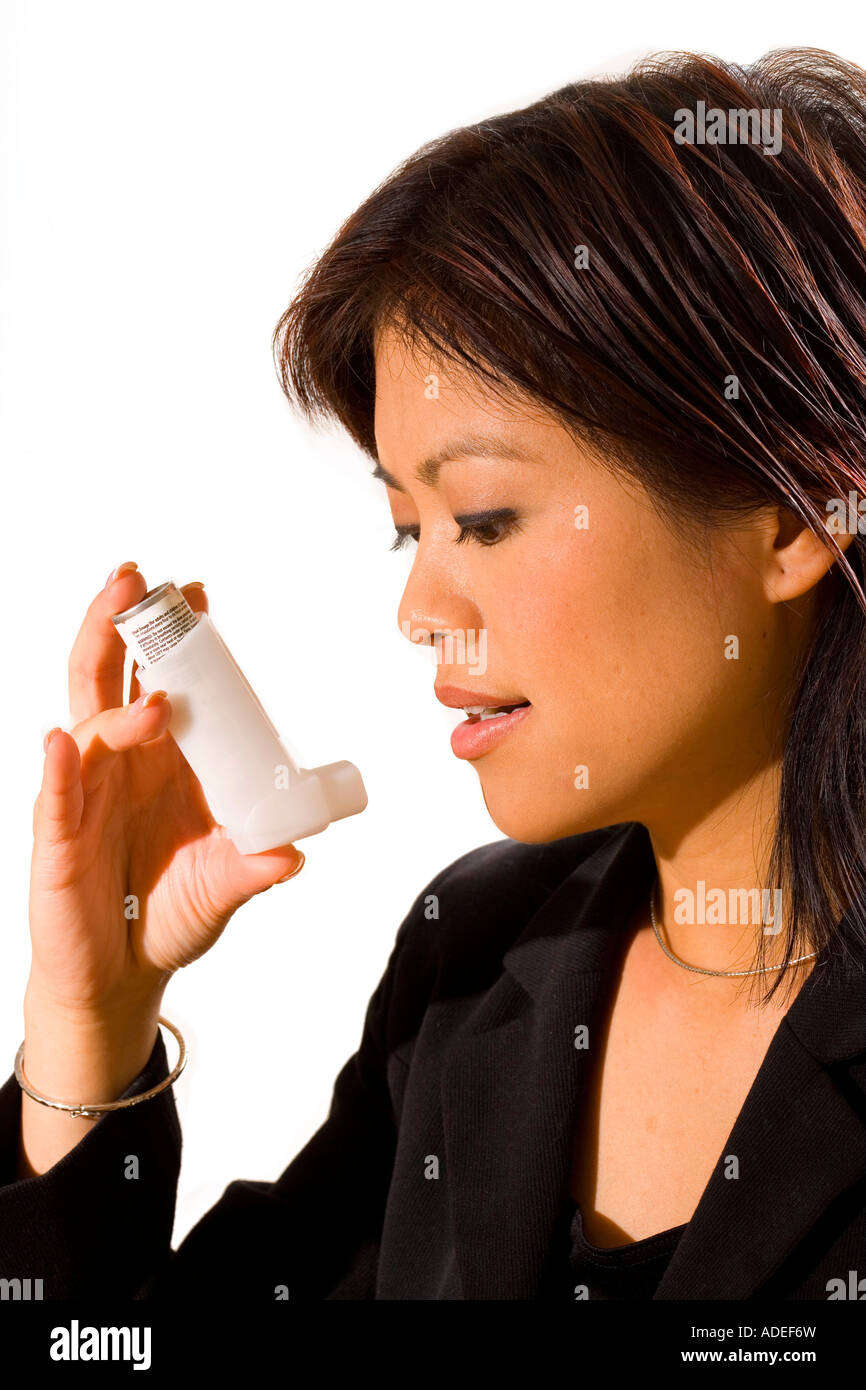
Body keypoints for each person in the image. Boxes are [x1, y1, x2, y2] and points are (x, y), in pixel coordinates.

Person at [2, 45, 866, 1301]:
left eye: (484, 518)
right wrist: (91, 1026)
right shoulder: (482, 957)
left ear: (791, 516)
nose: (417, 609)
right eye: (409, 528)